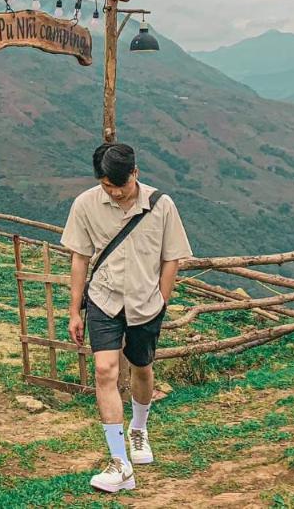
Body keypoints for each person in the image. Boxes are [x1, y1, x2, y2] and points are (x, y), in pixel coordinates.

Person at [62, 142, 193, 493]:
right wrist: (75, 310)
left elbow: (172, 258)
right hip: (103, 300)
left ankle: (139, 429)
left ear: (135, 172)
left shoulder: (161, 205)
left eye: (121, 184)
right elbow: (80, 259)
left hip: (145, 303)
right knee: (105, 370)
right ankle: (120, 462)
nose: (116, 192)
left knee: (141, 367)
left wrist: (161, 300)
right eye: (108, 185)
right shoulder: (85, 205)